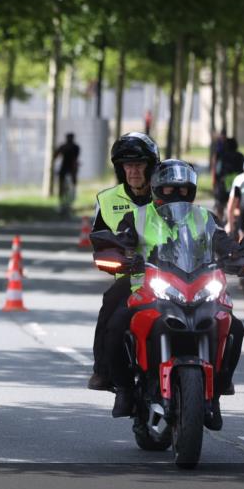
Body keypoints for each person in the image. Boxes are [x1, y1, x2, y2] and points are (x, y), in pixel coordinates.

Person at [104, 159, 244, 431]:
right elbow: (121, 242)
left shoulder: (204, 217)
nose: (175, 195)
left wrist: (239, 256)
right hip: (148, 289)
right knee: (115, 327)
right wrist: (122, 255)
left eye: (182, 190)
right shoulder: (138, 216)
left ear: (191, 191)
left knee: (235, 327)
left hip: (198, 288)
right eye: (168, 189)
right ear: (157, 188)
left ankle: (217, 390)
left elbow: (223, 241)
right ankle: (124, 390)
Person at [87, 132, 159, 391]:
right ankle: (103, 372)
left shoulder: (168, 195)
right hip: (132, 278)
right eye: (127, 165)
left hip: (174, 274)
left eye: (139, 164)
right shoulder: (106, 200)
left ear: (151, 166)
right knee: (110, 309)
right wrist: (116, 257)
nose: (133, 171)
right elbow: (100, 240)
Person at [214, 136, 244, 224]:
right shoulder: (240, 156)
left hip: (223, 186)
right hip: (237, 186)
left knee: (220, 206)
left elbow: (217, 171)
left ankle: (218, 224)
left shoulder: (221, 157)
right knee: (237, 206)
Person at [53, 133, 81, 206]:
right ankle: (63, 199)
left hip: (69, 167)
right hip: (67, 167)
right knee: (63, 184)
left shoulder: (72, 147)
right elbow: (56, 155)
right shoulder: (71, 147)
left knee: (71, 184)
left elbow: (55, 155)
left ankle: (67, 199)